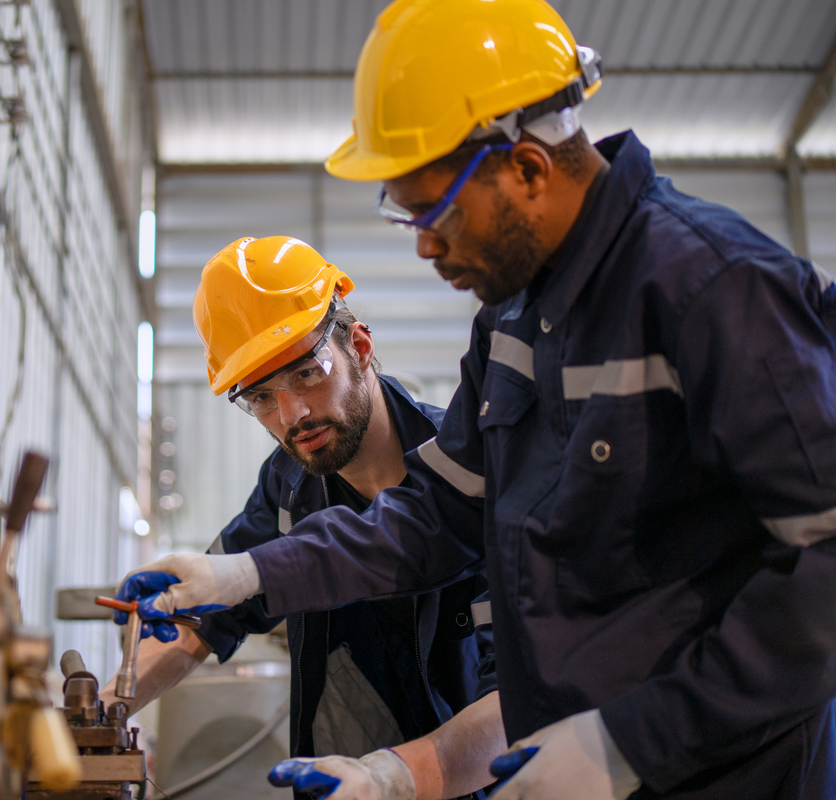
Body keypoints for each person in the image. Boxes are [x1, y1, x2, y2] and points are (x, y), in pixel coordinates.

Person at [114, 1, 836, 799]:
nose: (425, 244)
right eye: (408, 216)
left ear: (526, 168)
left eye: (437, 212)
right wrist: (246, 575)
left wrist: (631, 742)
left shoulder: (713, 289)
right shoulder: (514, 323)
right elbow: (435, 515)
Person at [102, 235, 504, 797]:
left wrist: (392, 778)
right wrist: (101, 713)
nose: (293, 414)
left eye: (307, 373)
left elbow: (517, 702)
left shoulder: (475, 478)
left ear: (359, 346)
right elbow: (210, 616)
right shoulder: (290, 486)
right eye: (261, 397)